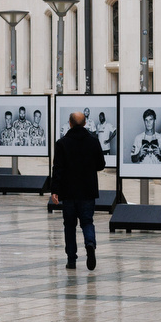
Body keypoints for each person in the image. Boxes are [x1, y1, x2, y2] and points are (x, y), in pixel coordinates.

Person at [50, 111, 107, 270]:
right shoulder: (93, 141)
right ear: (84, 124)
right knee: (87, 221)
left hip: (68, 192)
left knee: (69, 225)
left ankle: (71, 259)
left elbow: (58, 169)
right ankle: (90, 244)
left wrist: (55, 190)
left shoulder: (62, 143)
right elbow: (101, 165)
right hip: (87, 191)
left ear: (70, 123)